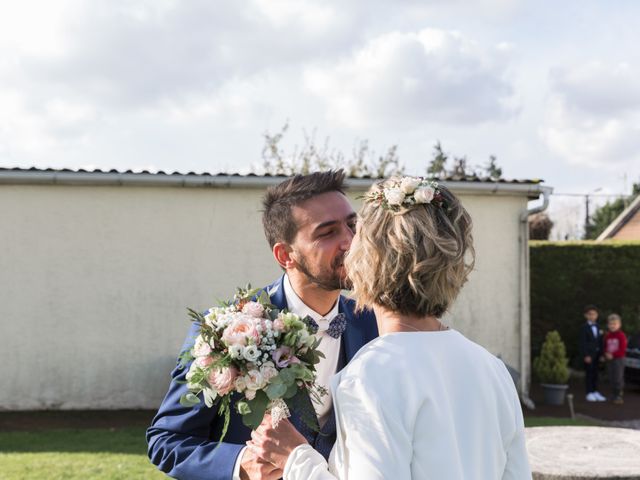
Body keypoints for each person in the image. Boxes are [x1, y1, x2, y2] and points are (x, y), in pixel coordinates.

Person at [247, 177, 532, 479]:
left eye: (354, 231)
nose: (346, 243)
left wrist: (295, 460)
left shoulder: (370, 376)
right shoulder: (492, 369)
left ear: (365, 263)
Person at [146, 170, 378, 480]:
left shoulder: (376, 324)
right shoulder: (226, 330)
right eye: (327, 232)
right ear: (286, 255)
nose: (350, 242)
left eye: (352, 225)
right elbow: (166, 440)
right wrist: (240, 463)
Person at [579, 305, 606, 402]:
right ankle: (589, 392)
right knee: (589, 373)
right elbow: (583, 343)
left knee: (596, 374)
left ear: (597, 315)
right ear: (586, 315)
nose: (592, 316)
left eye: (594, 314)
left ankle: (595, 391)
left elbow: (600, 342)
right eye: (590, 314)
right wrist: (586, 355)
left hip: (597, 354)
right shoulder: (584, 328)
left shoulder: (598, 327)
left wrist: (602, 354)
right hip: (589, 355)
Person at [603, 313, 628, 405]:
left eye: (615, 324)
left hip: (619, 359)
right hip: (610, 359)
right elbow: (605, 346)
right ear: (608, 325)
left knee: (618, 377)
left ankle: (619, 395)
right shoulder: (608, 336)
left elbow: (622, 349)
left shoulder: (621, 335)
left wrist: (613, 355)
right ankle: (613, 394)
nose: (612, 326)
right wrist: (606, 353)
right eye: (610, 324)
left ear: (619, 325)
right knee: (611, 376)